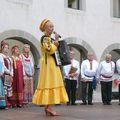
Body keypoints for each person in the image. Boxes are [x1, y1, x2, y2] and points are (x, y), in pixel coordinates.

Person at [32, 18, 68, 116]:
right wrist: (56, 41)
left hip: (51, 63)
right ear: (45, 28)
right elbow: (49, 50)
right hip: (49, 64)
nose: (52, 28)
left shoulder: (48, 38)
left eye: (53, 26)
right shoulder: (45, 38)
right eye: (50, 26)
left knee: (51, 83)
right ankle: (49, 107)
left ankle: (48, 107)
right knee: (50, 83)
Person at [0, 40, 13, 109]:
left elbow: (12, 66)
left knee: (8, 89)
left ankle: (8, 102)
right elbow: (3, 66)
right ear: (2, 48)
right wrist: (9, 72)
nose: (6, 49)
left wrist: (12, 73)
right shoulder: (1, 56)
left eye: (7, 48)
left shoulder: (9, 57)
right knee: (4, 89)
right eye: (5, 47)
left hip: (9, 75)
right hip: (4, 74)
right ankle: (5, 103)